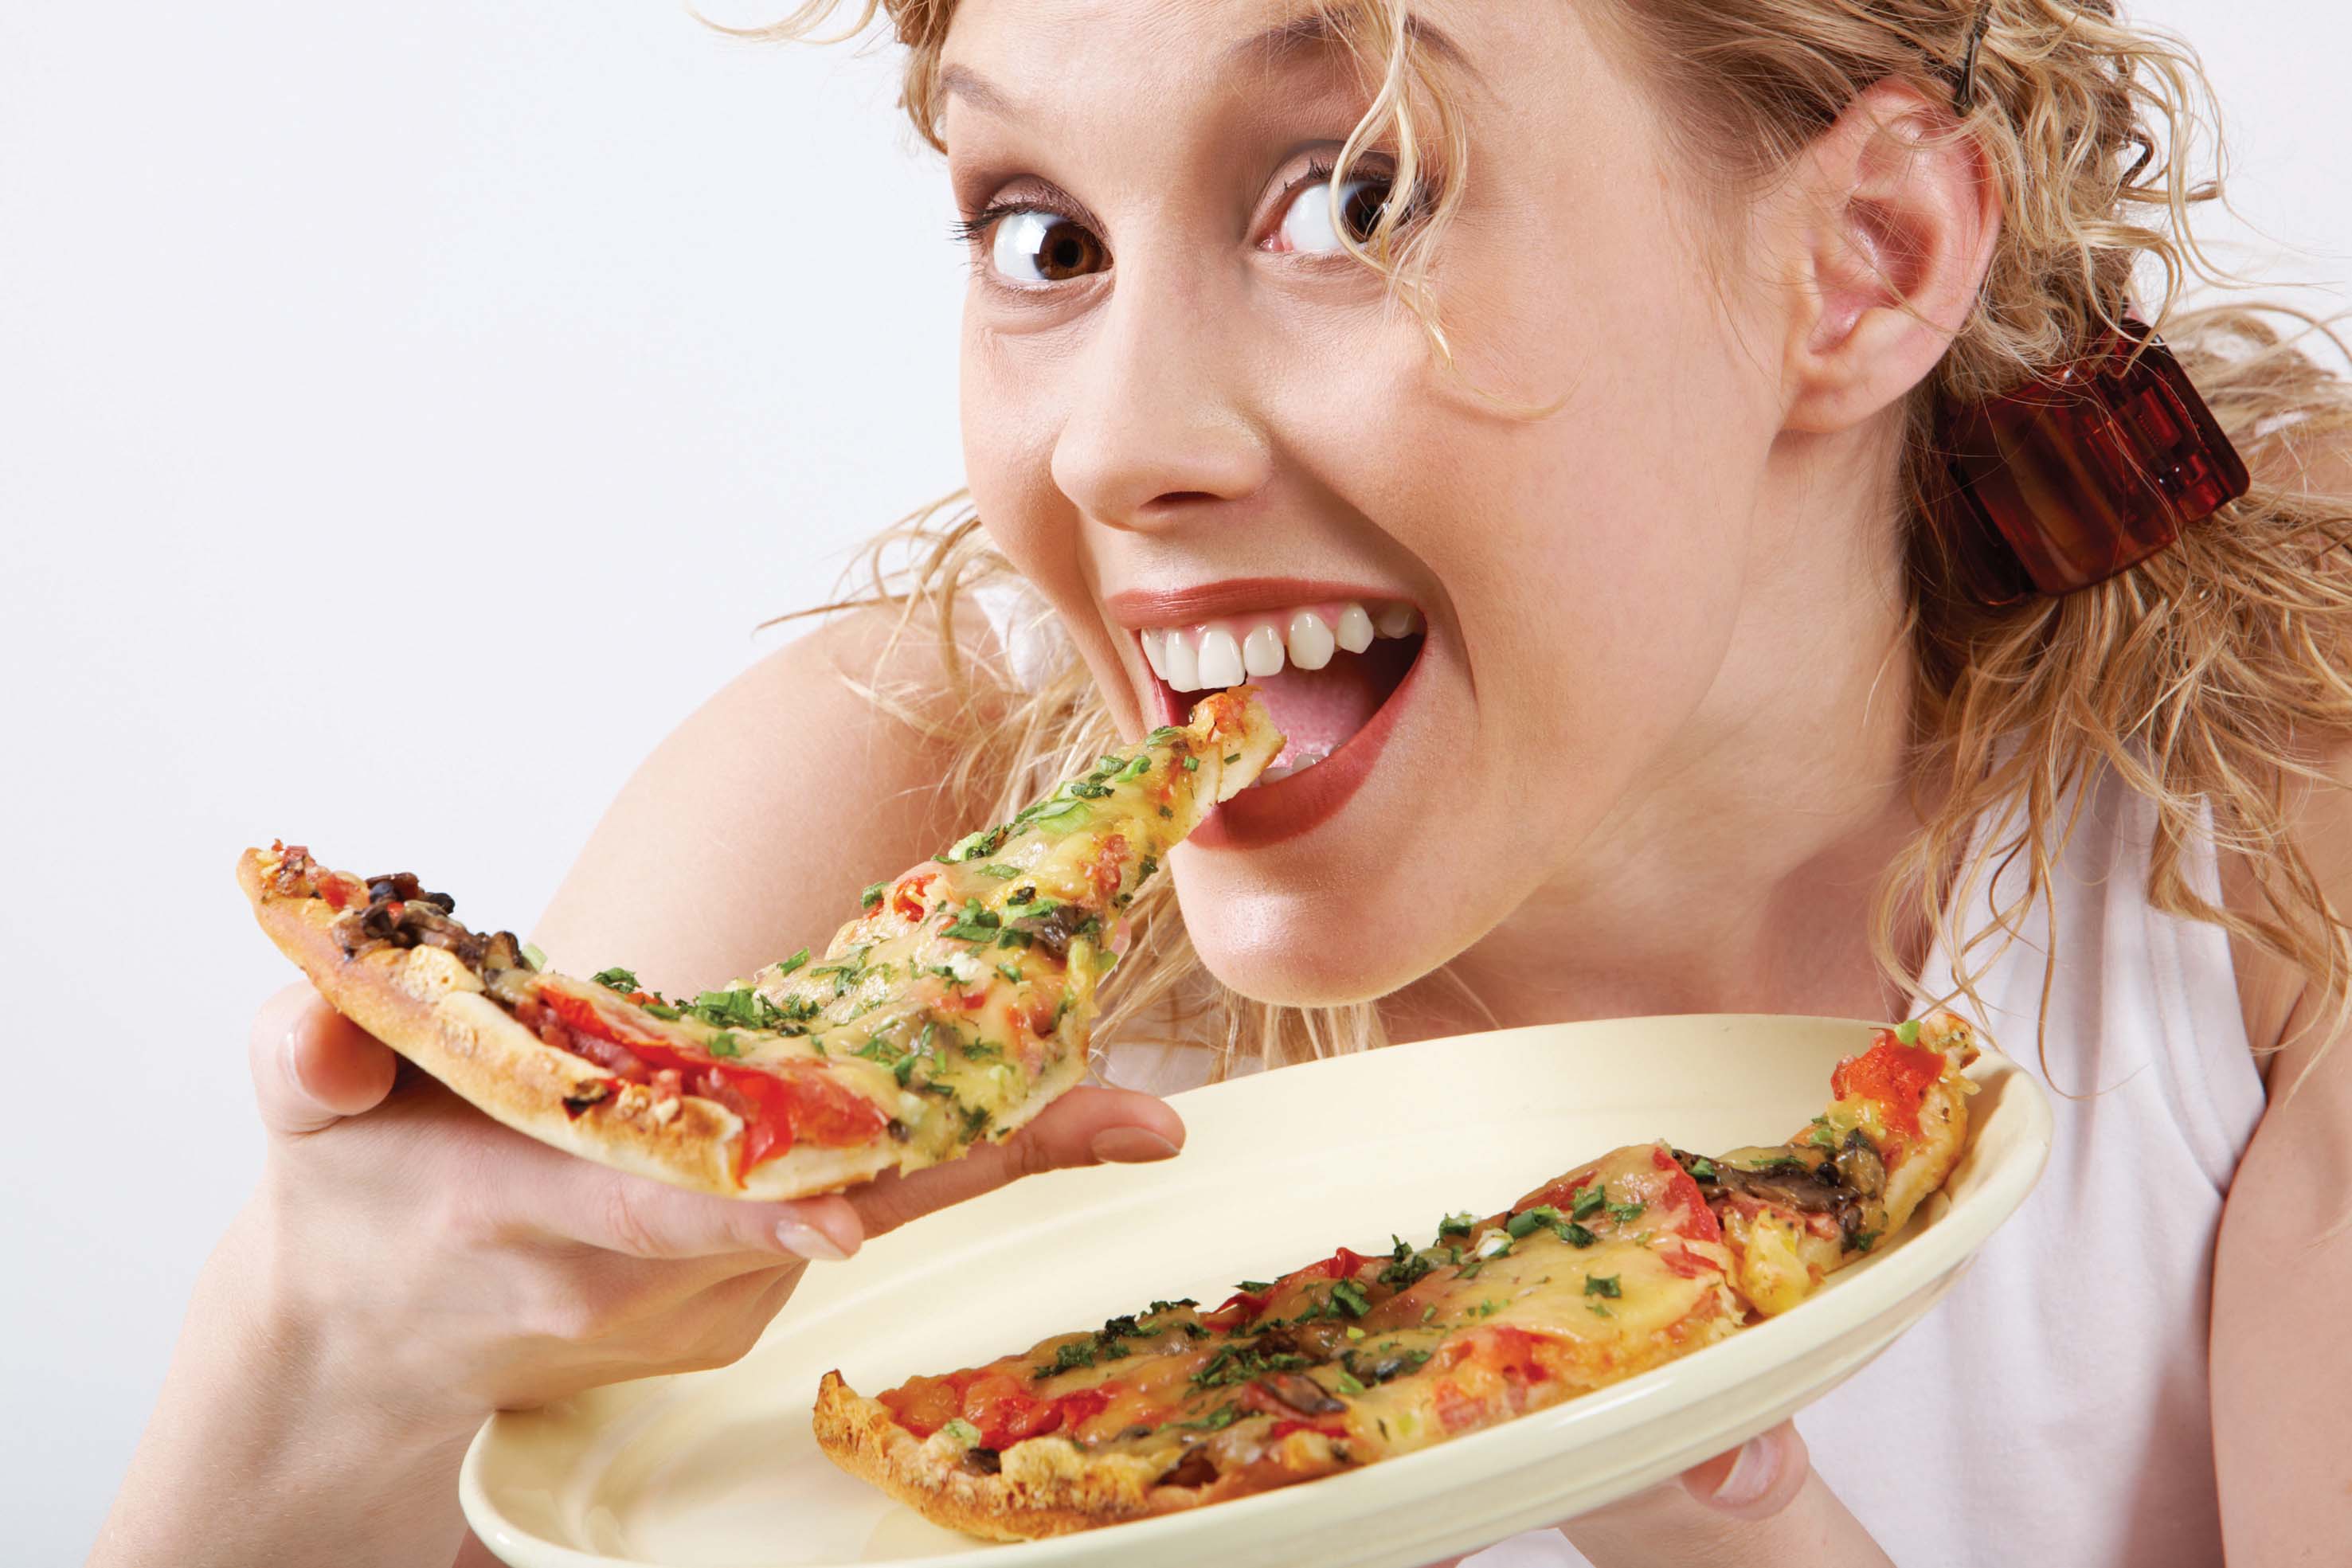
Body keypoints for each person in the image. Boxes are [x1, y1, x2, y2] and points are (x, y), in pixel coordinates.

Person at [91, 2, 2352, 1564]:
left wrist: (1712, 1507)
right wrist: (321, 1355)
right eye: (1041, 235)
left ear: (1865, 261)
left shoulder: (2281, 811)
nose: (1115, 447)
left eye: (1349, 198)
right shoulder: (859, 863)